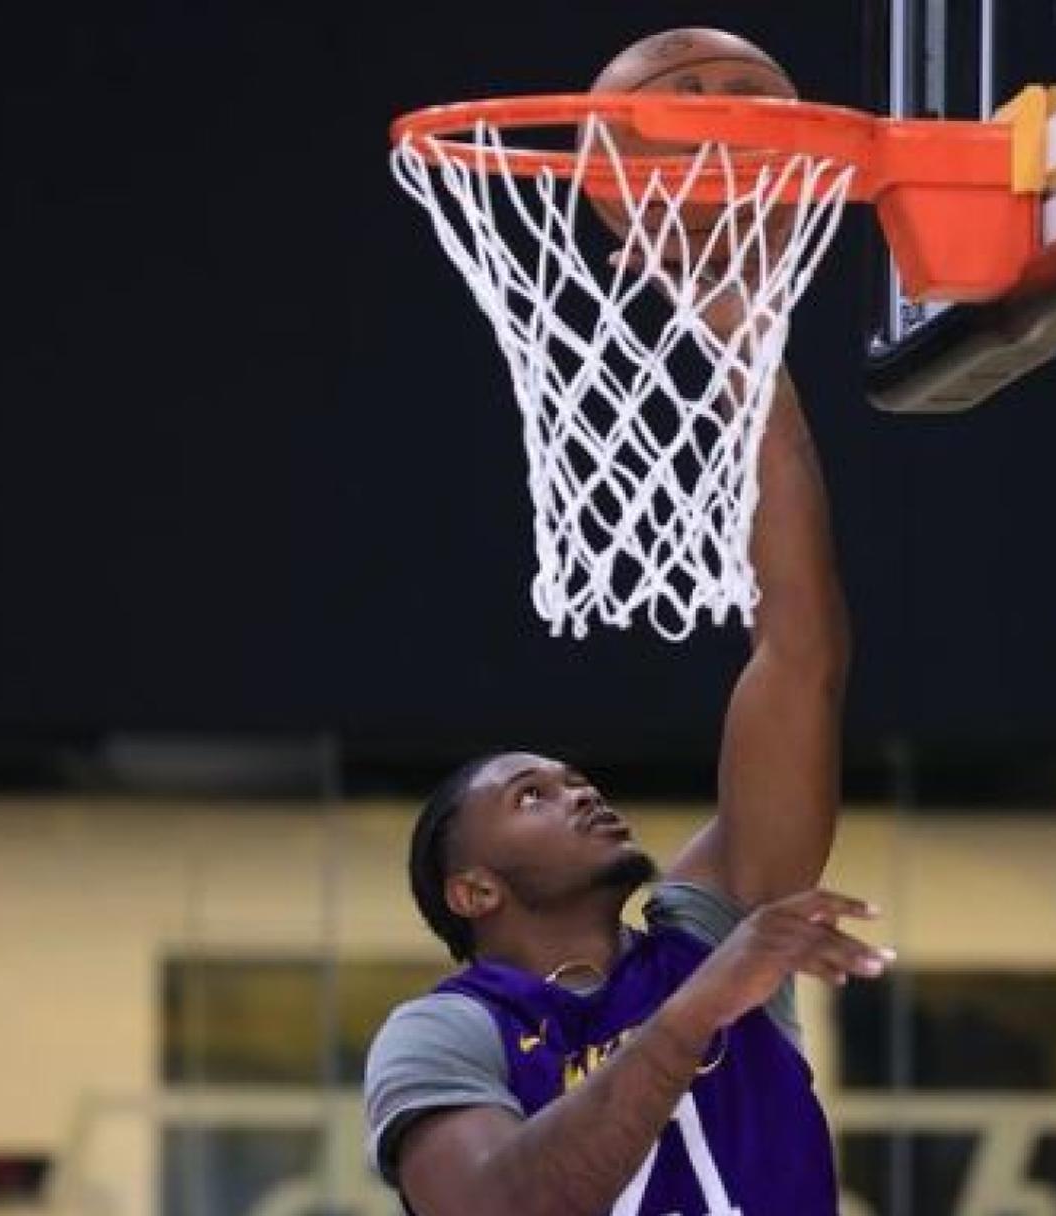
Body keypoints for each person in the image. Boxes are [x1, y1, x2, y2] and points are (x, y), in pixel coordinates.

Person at [364, 32, 891, 1216]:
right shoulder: (443, 1035)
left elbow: (800, 652)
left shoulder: (707, 926)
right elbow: (500, 1206)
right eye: (533, 795)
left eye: (565, 775)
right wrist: (704, 1008)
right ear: (472, 891)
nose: (581, 788)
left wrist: (747, 348)